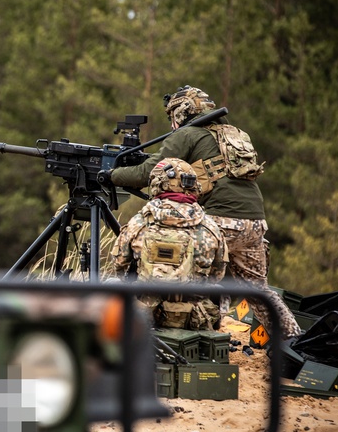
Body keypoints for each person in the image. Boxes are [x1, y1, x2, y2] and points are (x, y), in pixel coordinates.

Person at [107, 85, 302, 340]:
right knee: (258, 290)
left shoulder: (187, 135)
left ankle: (207, 341)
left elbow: (148, 173)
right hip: (254, 222)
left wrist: (111, 175)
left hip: (219, 221)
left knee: (185, 275)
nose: (172, 122)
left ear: (181, 113)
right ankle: (295, 342)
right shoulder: (234, 134)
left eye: (172, 116)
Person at [108, 157, 228, 329]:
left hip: (144, 316)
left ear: (158, 183)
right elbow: (217, 275)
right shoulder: (211, 228)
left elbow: (120, 266)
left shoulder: (139, 222)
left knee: (111, 284)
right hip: (194, 319)